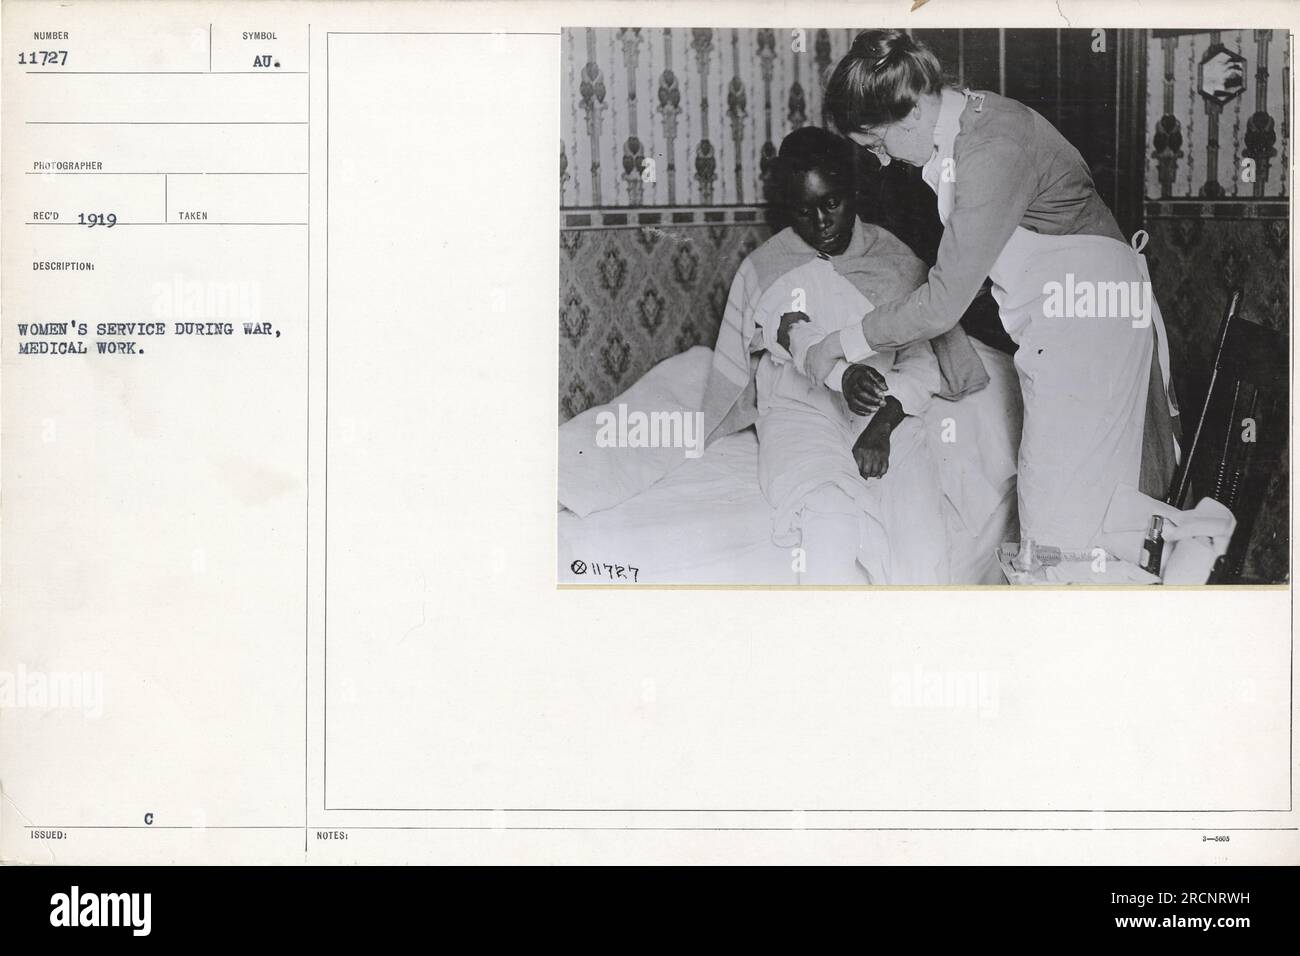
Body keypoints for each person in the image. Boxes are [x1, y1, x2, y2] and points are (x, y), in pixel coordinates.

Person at [796, 29, 1179, 552]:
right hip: (1066, 320)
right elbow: (973, 275)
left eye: (876, 143)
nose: (881, 160)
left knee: (1066, 516)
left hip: (1091, 324)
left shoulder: (992, 145)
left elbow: (944, 300)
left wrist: (840, 341)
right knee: (1062, 508)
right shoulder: (965, 132)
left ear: (910, 112)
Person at [705, 126, 952, 584]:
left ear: (853, 193)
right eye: (803, 210)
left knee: (922, 543)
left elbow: (920, 361)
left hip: (886, 415)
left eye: (831, 204)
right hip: (801, 415)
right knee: (830, 517)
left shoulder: (895, 260)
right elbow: (793, 331)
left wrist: (882, 424)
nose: (820, 222)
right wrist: (843, 376)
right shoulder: (769, 266)